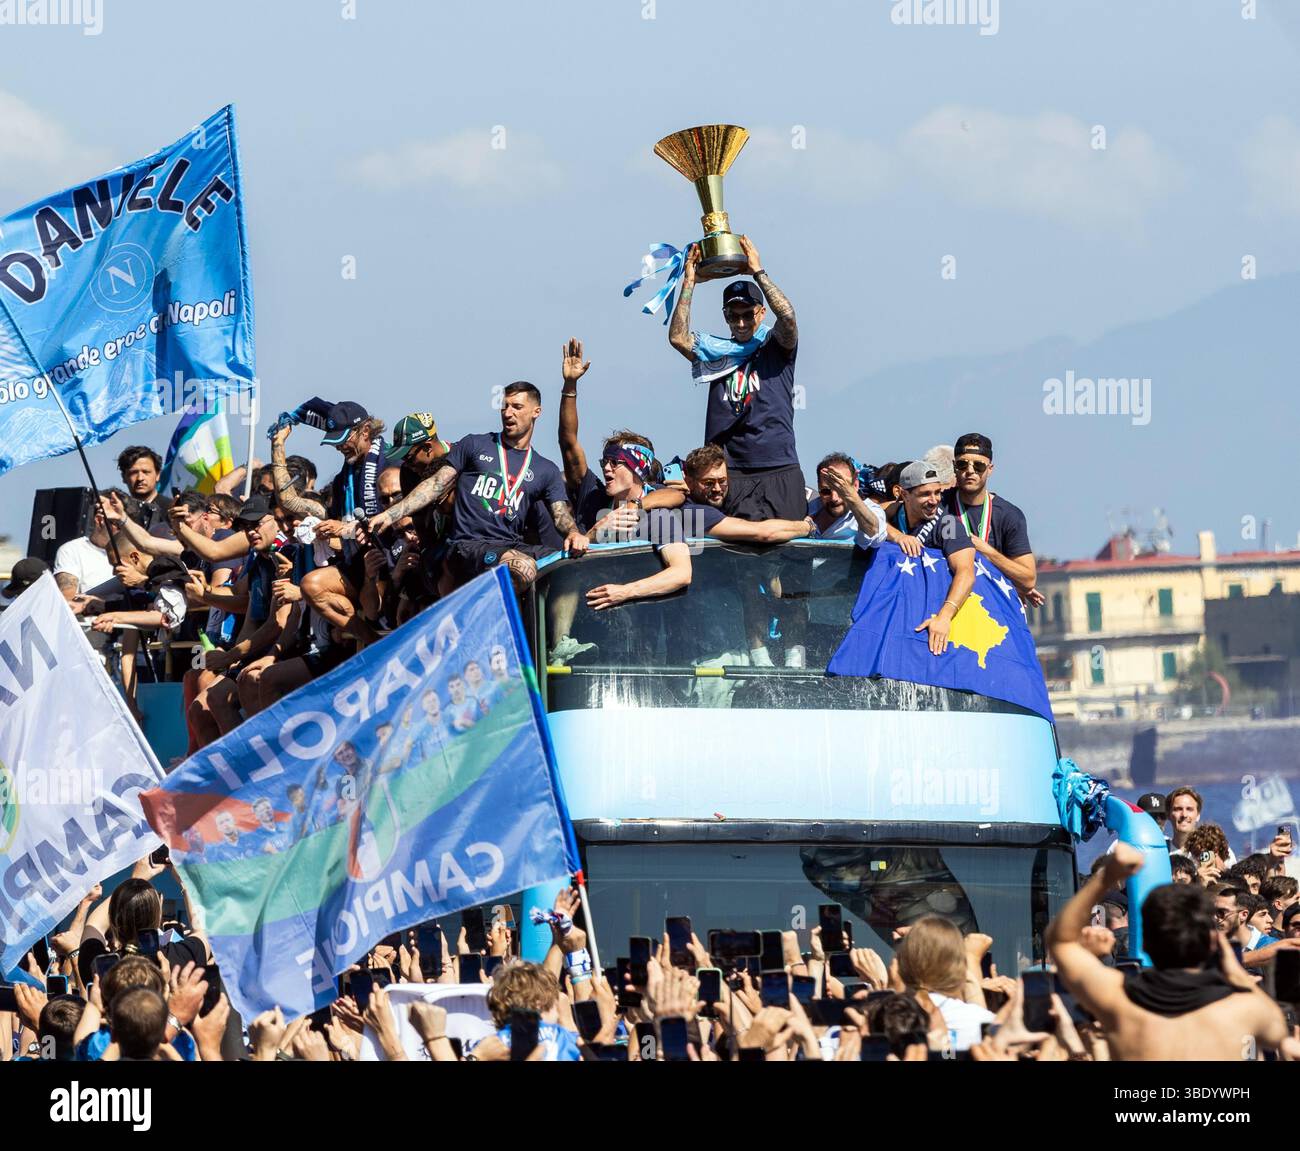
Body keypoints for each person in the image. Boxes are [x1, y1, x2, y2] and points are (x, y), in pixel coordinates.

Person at [1046, 842, 1287, 1060]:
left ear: (1145, 942)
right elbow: (1277, 1031)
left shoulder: (1119, 998)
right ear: (1211, 941)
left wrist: (1106, 876)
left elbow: (1061, 941)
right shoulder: (1242, 1006)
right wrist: (1233, 971)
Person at [360, 381, 588, 592]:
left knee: (568, 565)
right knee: (522, 566)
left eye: (517, 407)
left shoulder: (545, 469)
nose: (508, 413)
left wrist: (575, 533)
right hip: (468, 547)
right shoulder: (474, 445)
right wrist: (390, 515)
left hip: (511, 545)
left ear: (536, 412)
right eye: (504, 406)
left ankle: (563, 636)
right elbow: (435, 484)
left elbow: (560, 515)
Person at [668, 236, 804, 521]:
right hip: (731, 474)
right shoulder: (717, 354)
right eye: (733, 316)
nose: (741, 323)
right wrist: (689, 282)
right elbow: (678, 337)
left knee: (787, 551)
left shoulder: (775, 346)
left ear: (761, 312)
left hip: (778, 467)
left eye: (748, 315)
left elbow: (788, 318)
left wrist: (758, 272)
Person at [886, 458, 976, 657]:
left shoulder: (949, 524)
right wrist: (897, 536)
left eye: (937, 492)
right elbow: (867, 517)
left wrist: (944, 617)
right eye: (925, 494)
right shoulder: (891, 515)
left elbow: (966, 572)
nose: (934, 500)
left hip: (934, 625)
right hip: (898, 621)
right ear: (903, 494)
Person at [940, 433, 1040, 606]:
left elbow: (1028, 579)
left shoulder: (1009, 515)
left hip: (990, 610)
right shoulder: (939, 505)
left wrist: (985, 550)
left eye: (978, 466)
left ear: (990, 469)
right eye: (963, 464)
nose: (970, 471)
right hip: (946, 602)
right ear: (954, 466)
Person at [893, 916, 993, 1051]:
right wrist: (971, 959)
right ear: (959, 968)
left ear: (901, 965)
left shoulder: (883, 1017)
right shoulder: (983, 1023)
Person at [117, 446, 171, 533]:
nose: (140, 478)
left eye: (146, 472)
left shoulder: (171, 510)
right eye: (133, 473)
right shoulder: (117, 512)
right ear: (123, 477)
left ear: (158, 475)